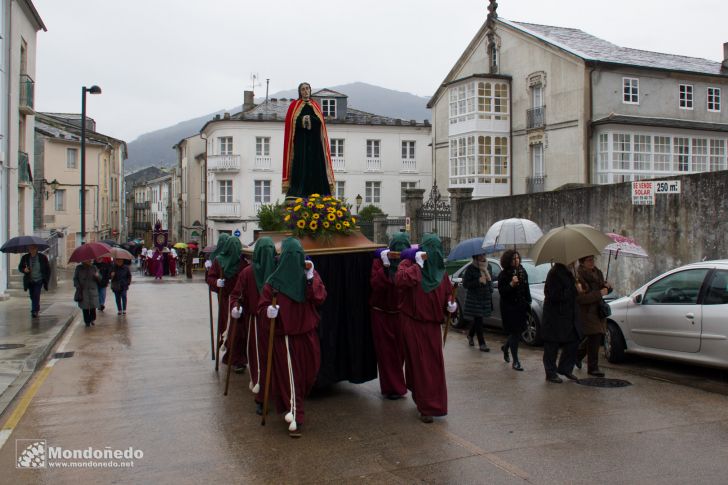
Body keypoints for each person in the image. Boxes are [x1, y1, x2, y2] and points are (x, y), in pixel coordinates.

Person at [258, 237, 326, 438]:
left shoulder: (309, 277)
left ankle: (297, 406)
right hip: (285, 338)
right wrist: (268, 312)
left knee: (309, 373)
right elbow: (262, 307)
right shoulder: (273, 283)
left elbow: (320, 297)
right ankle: (295, 414)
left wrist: (310, 277)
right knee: (291, 378)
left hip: (307, 335)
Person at [396, 233, 455, 423]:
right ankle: (426, 407)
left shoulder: (441, 272)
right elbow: (400, 280)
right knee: (420, 365)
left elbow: (448, 294)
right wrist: (417, 267)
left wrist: (450, 305)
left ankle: (435, 404)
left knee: (434, 367)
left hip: (432, 327)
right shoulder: (408, 264)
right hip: (413, 324)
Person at [230, 237, 277, 414]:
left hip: (268, 322)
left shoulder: (276, 271)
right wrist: (236, 308)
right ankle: (262, 395)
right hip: (256, 323)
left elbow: (236, 296)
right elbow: (237, 296)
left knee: (265, 359)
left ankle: (266, 395)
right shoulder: (248, 273)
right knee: (260, 359)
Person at [370, 233, 411, 400]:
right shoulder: (379, 261)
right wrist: (385, 269)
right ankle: (392, 388)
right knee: (387, 354)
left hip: (400, 314)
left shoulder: (409, 263)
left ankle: (397, 384)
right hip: (381, 313)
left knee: (400, 352)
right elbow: (375, 285)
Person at [281, 82, 335, 198]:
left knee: (316, 165)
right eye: (303, 89)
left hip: (315, 142)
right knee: (301, 164)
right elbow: (291, 123)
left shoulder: (315, 105)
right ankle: (298, 191)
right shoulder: (294, 105)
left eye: (307, 89)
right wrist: (303, 120)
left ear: (310, 90)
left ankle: (319, 192)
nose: (306, 91)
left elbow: (320, 122)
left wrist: (311, 120)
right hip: (301, 142)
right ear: (300, 92)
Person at [206, 235, 248, 371]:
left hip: (240, 301)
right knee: (226, 327)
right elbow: (210, 277)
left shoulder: (243, 263)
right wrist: (216, 282)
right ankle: (229, 355)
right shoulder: (219, 261)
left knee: (240, 330)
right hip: (225, 300)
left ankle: (238, 359)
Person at [541, 262, 581, 383]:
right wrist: (574, 289)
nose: (575, 262)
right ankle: (550, 373)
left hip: (567, 316)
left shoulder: (569, 273)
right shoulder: (554, 273)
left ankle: (565, 368)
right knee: (551, 345)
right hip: (554, 316)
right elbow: (555, 295)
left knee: (574, 340)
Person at [576, 255, 611, 377]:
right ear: (582, 262)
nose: (592, 262)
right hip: (587, 312)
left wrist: (608, 287)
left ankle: (577, 356)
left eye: (593, 259)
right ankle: (592, 368)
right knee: (595, 336)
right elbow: (581, 298)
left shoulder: (597, 272)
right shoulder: (578, 276)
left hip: (599, 309)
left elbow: (602, 289)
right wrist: (599, 293)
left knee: (594, 337)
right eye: (589, 260)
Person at [497, 249, 531, 371]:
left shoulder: (522, 271)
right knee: (515, 333)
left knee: (517, 332)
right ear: (508, 261)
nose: (516, 260)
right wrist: (511, 284)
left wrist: (529, 301)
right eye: (513, 259)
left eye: (517, 258)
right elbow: (502, 292)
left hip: (520, 306)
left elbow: (526, 287)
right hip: (509, 307)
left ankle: (506, 347)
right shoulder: (504, 274)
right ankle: (516, 361)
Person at [462, 252, 493, 352]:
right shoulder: (471, 268)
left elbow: (490, 281)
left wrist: (490, 288)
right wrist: (478, 281)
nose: (482, 257)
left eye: (483, 254)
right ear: (475, 256)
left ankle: (470, 335)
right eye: (480, 255)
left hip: (485, 296)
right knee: (479, 319)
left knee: (478, 319)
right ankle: (482, 343)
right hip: (474, 298)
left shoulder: (489, 267)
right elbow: (465, 284)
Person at [18, 244, 51, 318]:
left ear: (36, 249)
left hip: (39, 279)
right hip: (30, 280)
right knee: (32, 295)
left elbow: (48, 269)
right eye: (30, 248)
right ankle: (36, 307)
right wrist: (24, 270)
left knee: (36, 294)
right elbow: (20, 267)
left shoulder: (42, 257)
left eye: (33, 248)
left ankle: (34, 311)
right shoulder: (25, 257)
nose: (32, 250)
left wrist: (46, 278)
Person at [74, 260, 100, 327]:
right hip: (83, 290)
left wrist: (97, 276)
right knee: (85, 307)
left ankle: (92, 319)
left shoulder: (94, 267)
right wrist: (78, 286)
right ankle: (87, 321)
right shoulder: (78, 268)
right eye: (88, 260)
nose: (89, 261)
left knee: (92, 306)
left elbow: (100, 279)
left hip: (92, 289)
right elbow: (75, 278)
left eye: (90, 260)